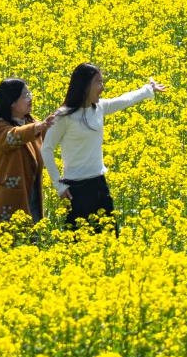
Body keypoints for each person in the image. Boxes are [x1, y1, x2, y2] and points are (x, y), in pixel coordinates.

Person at [40, 63, 166, 232]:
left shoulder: (99, 108)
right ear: (84, 86)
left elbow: (125, 100)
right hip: (76, 189)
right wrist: (59, 185)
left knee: (109, 236)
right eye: (98, 82)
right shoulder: (64, 116)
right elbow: (46, 149)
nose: (102, 87)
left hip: (99, 183)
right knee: (78, 241)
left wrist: (148, 89)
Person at [0, 79, 56, 226]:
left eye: (29, 93)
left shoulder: (29, 122)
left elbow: (44, 139)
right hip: (10, 198)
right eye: (25, 95)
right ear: (12, 102)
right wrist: (38, 127)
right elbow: (12, 137)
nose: (30, 98)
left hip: (32, 192)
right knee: (8, 240)